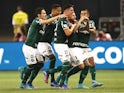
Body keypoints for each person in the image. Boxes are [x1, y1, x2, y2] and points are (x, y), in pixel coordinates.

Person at [19, 7, 66, 89]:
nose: (45, 14)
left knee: (40, 64)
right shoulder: (36, 20)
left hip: (36, 48)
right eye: (43, 13)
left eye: (45, 13)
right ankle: (23, 83)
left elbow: (49, 23)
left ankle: (29, 81)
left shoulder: (43, 25)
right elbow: (47, 21)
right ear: (39, 15)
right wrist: (58, 16)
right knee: (32, 65)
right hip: (29, 47)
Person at [65, 9, 103, 89]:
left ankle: (89, 82)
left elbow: (93, 31)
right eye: (81, 13)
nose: (82, 15)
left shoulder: (91, 22)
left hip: (85, 46)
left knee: (91, 63)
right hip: (78, 46)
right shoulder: (77, 22)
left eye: (84, 14)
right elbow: (77, 29)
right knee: (81, 65)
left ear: (88, 15)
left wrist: (88, 23)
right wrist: (83, 23)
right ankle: (66, 76)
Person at [37, 4, 62, 87]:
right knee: (52, 58)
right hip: (42, 43)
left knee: (38, 63)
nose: (60, 12)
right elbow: (47, 22)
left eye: (60, 11)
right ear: (53, 10)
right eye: (58, 11)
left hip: (48, 43)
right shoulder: (47, 18)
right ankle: (51, 78)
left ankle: (25, 70)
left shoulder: (58, 19)